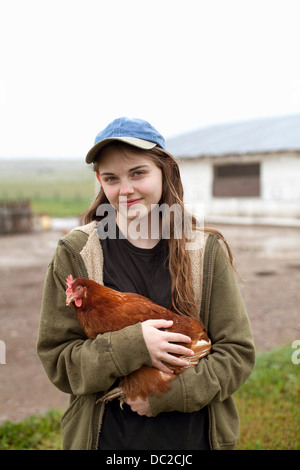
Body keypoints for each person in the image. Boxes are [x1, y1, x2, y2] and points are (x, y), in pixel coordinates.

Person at [37, 117, 255, 450]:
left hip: (192, 439)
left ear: (165, 171)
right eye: (111, 178)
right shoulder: (78, 253)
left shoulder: (204, 252)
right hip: (107, 440)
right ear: (100, 181)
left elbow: (237, 353)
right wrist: (134, 345)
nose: (125, 190)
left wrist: (167, 396)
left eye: (138, 173)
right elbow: (59, 361)